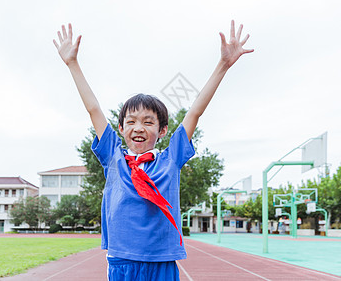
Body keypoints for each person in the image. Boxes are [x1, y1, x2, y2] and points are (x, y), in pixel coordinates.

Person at [53, 21, 253, 281]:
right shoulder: (113, 156)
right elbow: (93, 109)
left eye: (148, 122)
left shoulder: (171, 160)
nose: (139, 127)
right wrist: (72, 64)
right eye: (131, 121)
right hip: (122, 259)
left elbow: (195, 111)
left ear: (162, 131)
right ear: (121, 128)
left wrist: (223, 65)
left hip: (161, 260)